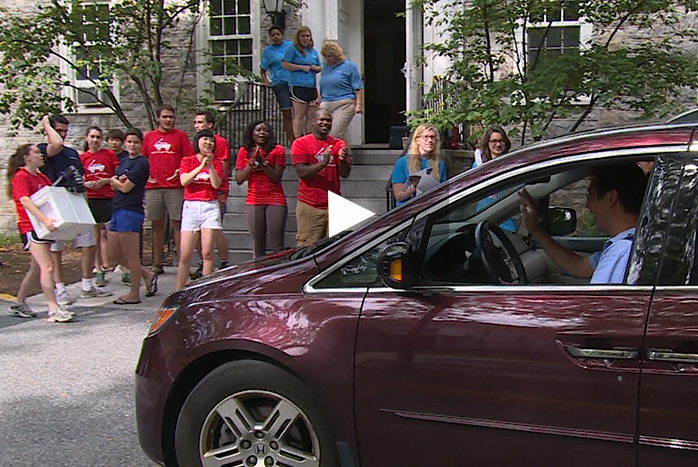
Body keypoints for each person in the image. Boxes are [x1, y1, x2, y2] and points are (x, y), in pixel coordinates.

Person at [519, 163, 647, 284]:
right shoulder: (630, 243)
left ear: (610, 198)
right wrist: (535, 229)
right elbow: (578, 266)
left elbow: (596, 306)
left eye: (590, 196)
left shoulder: (622, 252)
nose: (587, 205)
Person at [38, 114, 111, 303]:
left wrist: (85, 202)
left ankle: (87, 284)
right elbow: (55, 144)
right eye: (58, 130)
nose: (62, 134)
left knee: (88, 244)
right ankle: (60, 288)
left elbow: (80, 180)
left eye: (65, 131)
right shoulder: (45, 150)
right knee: (56, 249)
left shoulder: (72, 153)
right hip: (56, 203)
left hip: (76, 201)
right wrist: (46, 123)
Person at [7, 143, 73, 322]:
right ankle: (53, 309)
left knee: (36, 268)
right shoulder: (21, 177)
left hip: (43, 227)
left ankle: (19, 303)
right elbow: (25, 201)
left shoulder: (42, 177)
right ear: (27, 157)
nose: (41, 155)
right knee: (48, 266)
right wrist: (44, 220)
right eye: (36, 152)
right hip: (31, 226)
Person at [108, 128, 158, 304]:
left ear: (141, 144)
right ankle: (147, 275)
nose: (132, 145)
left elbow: (124, 187)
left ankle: (134, 293)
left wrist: (114, 181)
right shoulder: (123, 161)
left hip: (130, 210)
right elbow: (116, 183)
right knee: (113, 254)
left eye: (136, 142)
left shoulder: (141, 163)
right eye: (129, 142)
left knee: (131, 256)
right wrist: (115, 182)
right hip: (117, 208)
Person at [143, 104, 192, 275]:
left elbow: (188, 158)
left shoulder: (180, 136)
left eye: (171, 117)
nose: (168, 120)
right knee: (156, 224)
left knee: (177, 224)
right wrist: (145, 175)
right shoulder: (149, 137)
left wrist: (181, 170)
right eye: (164, 117)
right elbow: (143, 159)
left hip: (175, 187)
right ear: (157, 118)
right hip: (154, 187)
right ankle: (157, 262)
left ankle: (182, 263)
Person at [291, 109, 351, 246]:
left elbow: (345, 173)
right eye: (321, 120)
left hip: (333, 205)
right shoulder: (300, 144)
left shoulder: (338, 144)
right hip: (310, 206)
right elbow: (302, 172)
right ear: (313, 121)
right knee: (306, 250)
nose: (325, 123)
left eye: (328, 120)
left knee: (334, 250)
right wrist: (323, 163)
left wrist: (342, 161)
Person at [176, 129, 223, 290]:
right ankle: (179, 290)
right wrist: (200, 166)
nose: (208, 143)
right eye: (205, 139)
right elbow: (184, 181)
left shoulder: (216, 162)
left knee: (207, 253)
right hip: (191, 206)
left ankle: (204, 289)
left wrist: (209, 166)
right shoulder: (187, 161)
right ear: (197, 141)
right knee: (185, 255)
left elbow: (216, 184)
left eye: (211, 140)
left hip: (210, 206)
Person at [235, 120, 287, 259]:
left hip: (275, 199)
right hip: (254, 199)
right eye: (258, 130)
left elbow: (276, 177)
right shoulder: (244, 151)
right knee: (258, 246)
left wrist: (263, 162)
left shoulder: (277, 150)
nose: (262, 133)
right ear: (251, 133)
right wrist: (250, 165)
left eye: (265, 130)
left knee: (276, 245)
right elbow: (239, 179)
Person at [80, 126, 120, 286]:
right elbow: (78, 180)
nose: (95, 140)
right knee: (95, 236)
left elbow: (117, 175)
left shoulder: (108, 154)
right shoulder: (82, 157)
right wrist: (86, 184)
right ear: (87, 138)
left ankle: (122, 267)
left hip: (108, 198)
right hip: (91, 199)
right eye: (92, 137)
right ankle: (98, 269)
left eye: (98, 137)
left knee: (114, 235)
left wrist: (106, 181)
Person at [192, 111, 230, 274]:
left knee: (216, 230)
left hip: (215, 192)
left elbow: (223, 164)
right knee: (198, 232)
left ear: (210, 125)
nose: (197, 125)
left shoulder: (219, 142)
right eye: (195, 122)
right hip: (197, 193)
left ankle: (224, 261)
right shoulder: (195, 142)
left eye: (200, 122)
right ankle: (204, 262)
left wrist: (220, 188)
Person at [317, 40, 363, 143]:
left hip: (344, 102)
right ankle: (343, 156)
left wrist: (358, 105)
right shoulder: (325, 69)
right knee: (325, 132)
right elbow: (324, 84)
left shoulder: (349, 66)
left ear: (336, 55)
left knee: (336, 132)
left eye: (330, 56)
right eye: (326, 56)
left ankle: (344, 156)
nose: (328, 59)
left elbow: (358, 87)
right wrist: (319, 98)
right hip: (326, 103)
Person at [391, 123, 447, 206]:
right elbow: (398, 196)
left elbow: (444, 192)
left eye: (432, 137)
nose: (430, 140)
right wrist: (415, 187)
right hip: (408, 210)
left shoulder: (439, 164)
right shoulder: (402, 163)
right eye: (426, 137)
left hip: (430, 208)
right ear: (417, 140)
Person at [282, 25, 321, 138]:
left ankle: (309, 139)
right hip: (297, 85)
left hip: (311, 86)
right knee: (299, 115)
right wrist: (300, 67)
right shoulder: (292, 49)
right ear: (298, 37)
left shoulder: (313, 51)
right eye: (303, 36)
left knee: (311, 115)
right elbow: (285, 64)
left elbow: (320, 67)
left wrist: (315, 68)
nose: (305, 38)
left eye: (307, 36)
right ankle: (297, 140)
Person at [260, 25, 295, 144]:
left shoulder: (290, 46)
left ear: (282, 35)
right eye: (273, 35)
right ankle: (291, 140)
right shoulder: (268, 51)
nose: (275, 37)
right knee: (286, 111)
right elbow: (263, 70)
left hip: (294, 81)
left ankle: (301, 138)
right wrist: (266, 82)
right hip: (279, 83)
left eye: (278, 34)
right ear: (270, 37)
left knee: (300, 111)